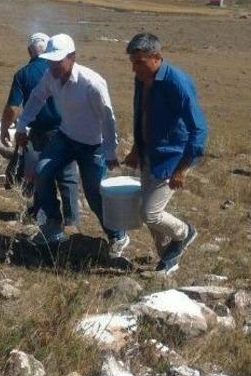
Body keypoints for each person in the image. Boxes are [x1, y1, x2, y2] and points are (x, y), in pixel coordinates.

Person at [13, 34, 129, 257]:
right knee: (42, 171)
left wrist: (110, 151)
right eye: (50, 60)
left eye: (58, 61)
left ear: (72, 57)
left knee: (95, 195)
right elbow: (37, 98)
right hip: (66, 137)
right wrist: (22, 126)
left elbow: (107, 118)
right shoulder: (50, 75)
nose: (53, 65)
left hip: (92, 145)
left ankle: (118, 235)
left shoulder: (92, 83)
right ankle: (53, 226)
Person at [122, 33, 206, 274]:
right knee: (149, 213)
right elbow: (141, 116)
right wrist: (136, 149)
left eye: (139, 62)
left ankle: (184, 233)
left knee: (150, 213)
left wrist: (182, 168)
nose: (134, 68)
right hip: (150, 153)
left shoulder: (176, 82)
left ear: (157, 57)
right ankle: (167, 258)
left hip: (172, 156)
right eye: (132, 62)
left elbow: (198, 128)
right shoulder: (142, 79)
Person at [0, 33, 79, 225]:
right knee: (67, 176)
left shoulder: (23, 74)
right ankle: (71, 220)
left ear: (29, 50)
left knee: (42, 175)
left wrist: (5, 129)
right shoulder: (62, 68)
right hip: (67, 130)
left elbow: (13, 108)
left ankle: (45, 215)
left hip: (40, 133)